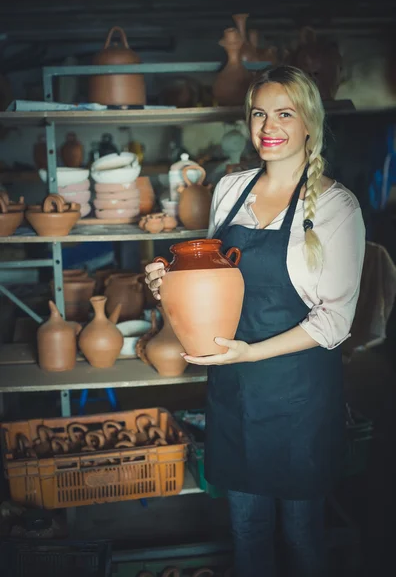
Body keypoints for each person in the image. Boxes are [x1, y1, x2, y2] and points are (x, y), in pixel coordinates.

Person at [145, 66, 366, 577]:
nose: (269, 125)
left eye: (285, 113)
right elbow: (211, 279)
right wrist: (166, 286)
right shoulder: (230, 189)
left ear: (309, 122)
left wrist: (251, 352)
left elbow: (334, 322)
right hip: (234, 390)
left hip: (297, 396)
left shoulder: (336, 208)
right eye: (260, 113)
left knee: (301, 534)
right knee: (245, 529)